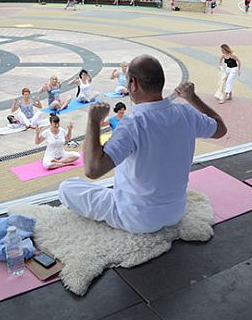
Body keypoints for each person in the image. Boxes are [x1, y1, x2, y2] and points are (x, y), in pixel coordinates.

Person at [58, 55, 227, 234]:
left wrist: (93, 121)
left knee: (67, 188)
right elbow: (221, 129)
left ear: (133, 84)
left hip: (135, 218)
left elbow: (92, 170)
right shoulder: (186, 113)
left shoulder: (133, 123)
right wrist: (192, 98)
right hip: (175, 212)